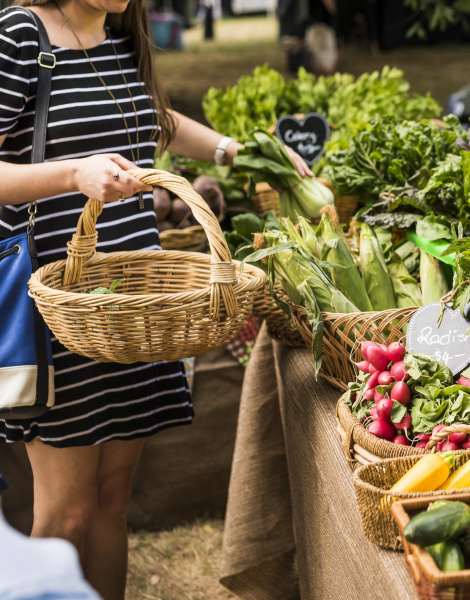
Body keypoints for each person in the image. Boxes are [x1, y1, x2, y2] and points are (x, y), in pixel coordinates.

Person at [0, 1, 310, 599]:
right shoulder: (20, 35)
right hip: (60, 314)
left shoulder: (118, 31)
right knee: (65, 516)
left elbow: (146, 120)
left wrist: (236, 150)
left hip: (137, 311)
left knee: (113, 505)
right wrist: (73, 176)